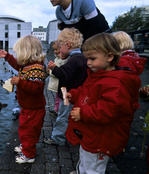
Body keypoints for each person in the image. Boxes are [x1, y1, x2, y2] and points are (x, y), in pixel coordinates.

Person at [65, 33, 142, 173]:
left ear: (109, 57)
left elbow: (109, 109)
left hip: (100, 136)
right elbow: (87, 91)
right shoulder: (99, 75)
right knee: (86, 158)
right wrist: (74, 94)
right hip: (93, 134)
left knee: (93, 166)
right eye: (87, 58)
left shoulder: (115, 83)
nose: (88, 62)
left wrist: (83, 113)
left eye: (92, 58)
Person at [0, 35, 47, 164]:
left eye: (18, 53)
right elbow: (16, 64)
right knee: (24, 130)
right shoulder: (27, 66)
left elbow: (37, 89)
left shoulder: (37, 69)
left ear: (27, 53)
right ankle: (25, 146)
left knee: (29, 132)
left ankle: (29, 155)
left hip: (34, 110)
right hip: (27, 108)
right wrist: (7, 56)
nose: (17, 55)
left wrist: (20, 82)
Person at [44, 28, 87, 146]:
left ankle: (58, 138)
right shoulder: (81, 58)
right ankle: (74, 135)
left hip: (67, 94)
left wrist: (54, 68)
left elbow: (64, 75)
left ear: (67, 45)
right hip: (78, 93)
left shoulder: (73, 60)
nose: (60, 49)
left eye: (61, 46)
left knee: (63, 116)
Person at [47, 40, 69, 116]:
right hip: (59, 84)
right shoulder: (58, 58)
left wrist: (50, 71)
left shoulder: (62, 60)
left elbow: (58, 72)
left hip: (60, 83)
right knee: (58, 97)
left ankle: (59, 111)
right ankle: (57, 110)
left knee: (60, 98)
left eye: (56, 49)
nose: (55, 51)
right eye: (54, 50)